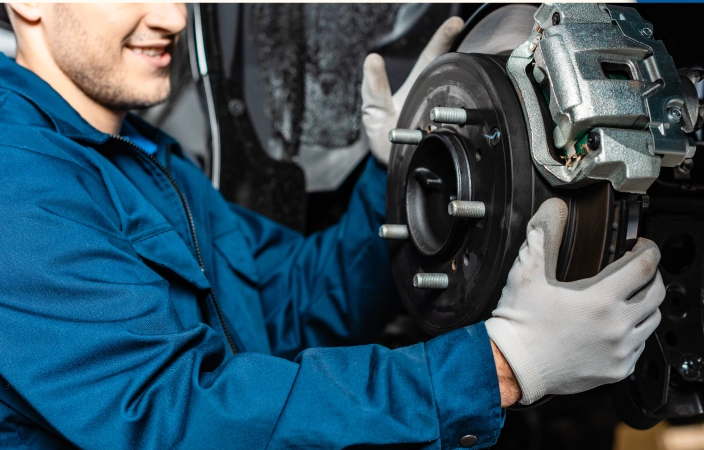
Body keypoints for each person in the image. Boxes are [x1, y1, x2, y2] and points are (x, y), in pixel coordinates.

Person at [0, 3, 665, 449]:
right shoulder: (18, 183)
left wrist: (398, 175)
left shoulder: (145, 159)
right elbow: (177, 417)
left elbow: (291, 304)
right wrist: (500, 366)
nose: (175, 15)